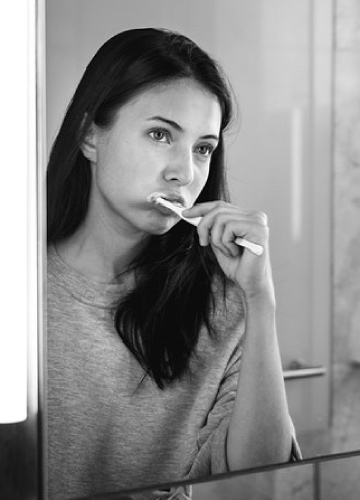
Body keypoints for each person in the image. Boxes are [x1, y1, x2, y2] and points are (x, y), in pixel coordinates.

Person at [46, 28, 300, 500]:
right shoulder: (19, 290)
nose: (184, 172)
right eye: (160, 134)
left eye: (202, 148)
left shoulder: (223, 304)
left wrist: (260, 301)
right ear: (88, 136)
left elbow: (260, 475)